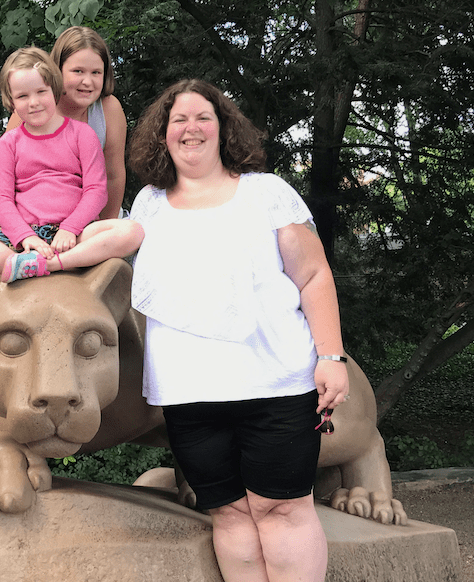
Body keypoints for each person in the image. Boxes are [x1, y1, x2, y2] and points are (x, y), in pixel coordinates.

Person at [126, 79, 349, 582]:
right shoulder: (148, 205)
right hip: (189, 394)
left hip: (277, 386)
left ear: (223, 127)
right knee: (229, 514)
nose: (191, 128)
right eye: (178, 119)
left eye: (202, 116)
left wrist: (331, 357)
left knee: (282, 510)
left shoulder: (265, 193)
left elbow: (314, 275)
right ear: (162, 134)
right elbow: (102, 256)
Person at [0, 47, 143, 412]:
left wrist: (71, 228)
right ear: (11, 101)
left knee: (131, 231)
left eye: (40, 92)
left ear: (55, 90)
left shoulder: (81, 135)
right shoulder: (9, 143)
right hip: (19, 236)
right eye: (22, 96)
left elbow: (96, 190)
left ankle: (50, 266)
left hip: (73, 233)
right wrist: (24, 237)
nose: (33, 102)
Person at [6, 26, 127, 220]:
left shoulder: (109, 109)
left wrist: (105, 228)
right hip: (35, 223)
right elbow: (7, 182)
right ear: (57, 71)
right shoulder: (31, 110)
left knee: (130, 233)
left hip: (93, 222)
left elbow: (113, 177)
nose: (87, 81)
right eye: (78, 71)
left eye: (96, 72)